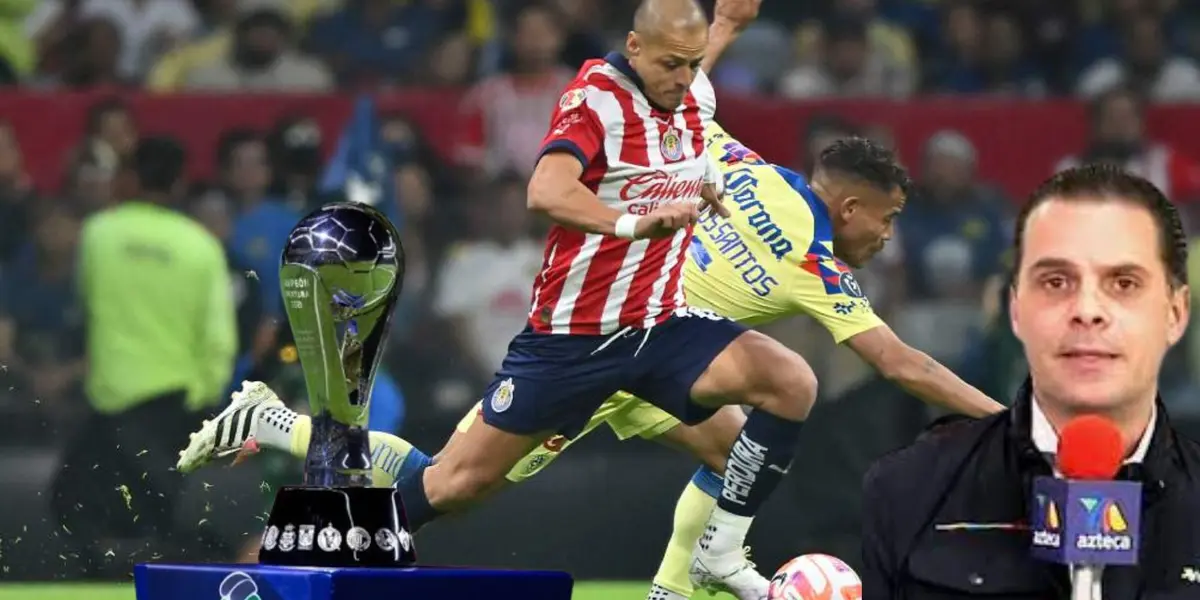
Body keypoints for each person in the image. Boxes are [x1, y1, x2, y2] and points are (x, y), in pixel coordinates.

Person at [181, 125, 1003, 596]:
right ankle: (284, 434)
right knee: (453, 484)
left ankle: (678, 586)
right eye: (888, 219)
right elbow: (905, 365)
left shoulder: (748, 167)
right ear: (852, 206)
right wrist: (1009, 422)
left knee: (738, 445)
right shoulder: (814, 261)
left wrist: (718, 28)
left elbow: (690, 106)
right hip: (594, 353)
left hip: (662, 356)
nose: (887, 235)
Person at [862, 165, 1200, 599]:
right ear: (1016, 310)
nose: (1087, 311)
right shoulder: (907, 489)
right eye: (1056, 282)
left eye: (1123, 283)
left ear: (1175, 313)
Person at [53, 137, 237, 574]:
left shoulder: (99, 233)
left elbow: (85, 303)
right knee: (156, 512)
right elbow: (219, 340)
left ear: (129, 178)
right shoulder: (201, 246)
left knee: (77, 503)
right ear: (178, 183)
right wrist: (204, 404)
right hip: (175, 406)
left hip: (111, 402)